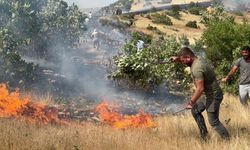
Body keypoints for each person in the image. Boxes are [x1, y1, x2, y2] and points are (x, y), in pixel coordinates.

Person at [170, 47, 230, 140]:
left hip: (213, 96)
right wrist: (177, 59)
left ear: (188, 57)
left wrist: (191, 102)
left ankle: (228, 140)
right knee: (195, 110)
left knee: (213, 122)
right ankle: (204, 136)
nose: (183, 63)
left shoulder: (197, 68)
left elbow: (200, 89)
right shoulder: (198, 59)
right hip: (208, 95)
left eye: (183, 61)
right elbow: (187, 58)